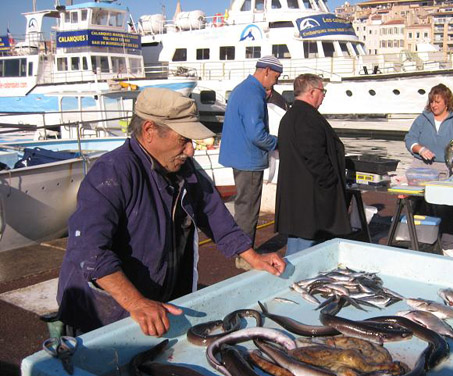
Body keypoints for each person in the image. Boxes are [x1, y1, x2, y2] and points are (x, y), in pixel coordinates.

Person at [56, 88, 286, 336]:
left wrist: (252, 256)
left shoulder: (184, 168)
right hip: (105, 314)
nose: (190, 150)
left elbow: (213, 213)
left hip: (160, 305)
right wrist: (136, 302)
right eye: (183, 140)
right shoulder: (111, 172)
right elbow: (89, 250)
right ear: (149, 131)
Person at [275, 73, 352, 255]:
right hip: (312, 197)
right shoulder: (307, 117)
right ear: (311, 92)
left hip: (298, 195)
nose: (323, 95)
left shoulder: (291, 116)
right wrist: (331, 182)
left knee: (297, 248)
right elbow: (314, 155)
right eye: (322, 91)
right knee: (307, 250)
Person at [219, 55, 282, 269]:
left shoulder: (243, 89)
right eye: (276, 76)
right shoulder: (253, 94)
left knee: (243, 205)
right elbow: (258, 135)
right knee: (248, 208)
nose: (276, 81)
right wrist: (278, 143)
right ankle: (244, 257)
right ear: (265, 71)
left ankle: (242, 250)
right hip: (249, 158)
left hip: (240, 156)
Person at [404, 83, 453, 258]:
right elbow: (409, 139)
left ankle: (449, 245)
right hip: (420, 168)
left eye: (437, 102)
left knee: (444, 205)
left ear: (446, 102)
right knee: (413, 201)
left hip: (445, 168)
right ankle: (412, 240)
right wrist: (420, 149)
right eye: (432, 102)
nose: (434, 105)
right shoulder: (422, 119)